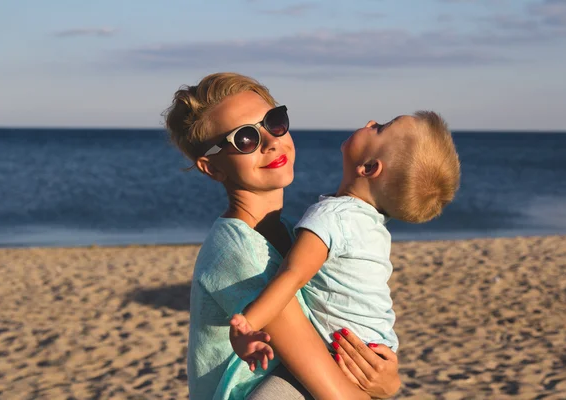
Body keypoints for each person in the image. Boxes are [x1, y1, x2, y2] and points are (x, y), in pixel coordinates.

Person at [164, 72, 401, 399]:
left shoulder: (291, 230)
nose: (271, 141)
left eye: (274, 122)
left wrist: (387, 381)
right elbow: (333, 390)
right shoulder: (241, 252)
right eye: (245, 138)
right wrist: (387, 391)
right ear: (213, 168)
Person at [229, 111, 461, 373]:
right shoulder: (372, 225)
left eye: (380, 128)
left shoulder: (332, 217)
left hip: (344, 356)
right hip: (377, 350)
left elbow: (293, 275)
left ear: (369, 168)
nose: (371, 121)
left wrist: (247, 325)